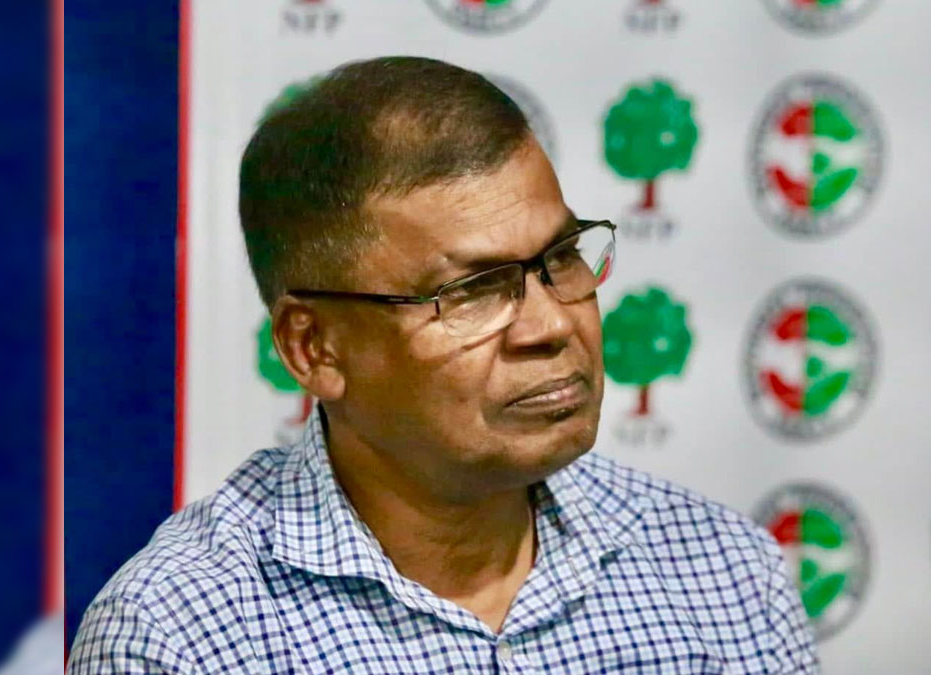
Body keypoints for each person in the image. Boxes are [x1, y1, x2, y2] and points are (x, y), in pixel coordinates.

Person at [68, 56, 818, 674]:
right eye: (475, 290)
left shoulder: (722, 574)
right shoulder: (182, 637)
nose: (553, 325)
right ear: (314, 347)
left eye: (561, 257)